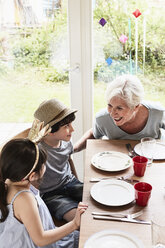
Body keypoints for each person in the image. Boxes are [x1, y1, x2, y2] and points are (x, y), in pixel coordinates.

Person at [0, 138, 88, 248]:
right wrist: (74, 223)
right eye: (43, 164)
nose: (45, 166)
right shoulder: (24, 199)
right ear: (32, 176)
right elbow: (40, 240)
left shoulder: (9, 181)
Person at [74, 74, 165, 152]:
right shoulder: (102, 118)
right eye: (110, 105)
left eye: (119, 108)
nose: (112, 114)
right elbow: (94, 134)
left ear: (136, 107)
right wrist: (72, 149)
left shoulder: (158, 113)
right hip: (117, 162)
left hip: (150, 161)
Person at [33, 98, 83, 222]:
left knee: (96, 197)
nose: (72, 129)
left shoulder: (65, 142)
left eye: (71, 124)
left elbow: (68, 161)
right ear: (50, 131)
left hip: (70, 183)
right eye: (66, 126)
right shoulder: (38, 151)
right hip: (51, 194)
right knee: (79, 218)